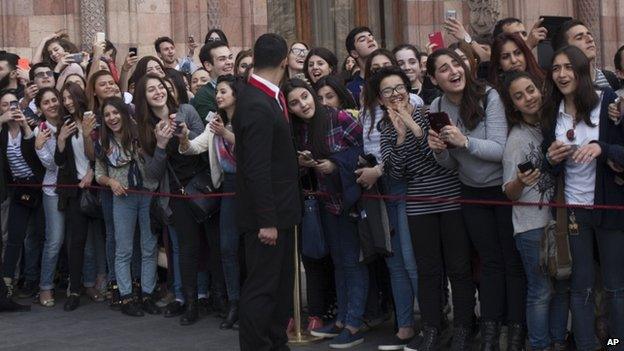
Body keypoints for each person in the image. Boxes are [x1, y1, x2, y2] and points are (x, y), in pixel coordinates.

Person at [426, 49, 527, 350]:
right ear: (433, 78)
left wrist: (464, 141)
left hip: (502, 190)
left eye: (456, 64)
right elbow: (451, 165)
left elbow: (500, 150)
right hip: (470, 191)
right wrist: (439, 150)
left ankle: (516, 330)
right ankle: (491, 332)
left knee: (512, 262)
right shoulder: (436, 105)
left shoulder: (489, 95)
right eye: (444, 69)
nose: (453, 71)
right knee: (489, 264)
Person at [371, 66, 475, 350]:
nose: (395, 95)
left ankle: (464, 326)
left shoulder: (431, 113)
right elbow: (397, 172)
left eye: (399, 88)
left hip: (450, 197)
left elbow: (439, 157)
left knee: (458, 267)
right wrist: (402, 136)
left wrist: (414, 127)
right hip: (418, 204)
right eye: (388, 91)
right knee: (428, 269)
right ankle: (432, 327)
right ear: (380, 99)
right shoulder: (385, 128)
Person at [542, 45, 624, 351]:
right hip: (572, 209)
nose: (562, 74)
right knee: (581, 286)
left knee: (616, 287)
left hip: (609, 206)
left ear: (581, 71)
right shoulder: (553, 112)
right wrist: (551, 157)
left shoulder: (609, 103)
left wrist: (603, 148)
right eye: (556, 69)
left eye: (568, 67)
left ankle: (617, 344)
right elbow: (547, 162)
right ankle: (587, 344)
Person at [284, 78, 367, 349]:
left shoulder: (339, 116)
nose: (302, 104)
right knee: (339, 263)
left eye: (304, 97)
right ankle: (342, 320)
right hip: (325, 204)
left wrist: (335, 164)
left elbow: (365, 150)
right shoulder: (300, 130)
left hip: (351, 202)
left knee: (353, 264)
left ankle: (354, 324)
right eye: (294, 102)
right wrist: (303, 163)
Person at [235, 33, 301, 351]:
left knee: (280, 285)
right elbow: (256, 168)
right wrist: (267, 220)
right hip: (267, 216)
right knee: (262, 288)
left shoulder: (268, 97)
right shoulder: (257, 103)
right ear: (284, 60)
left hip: (280, 209)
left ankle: (276, 341)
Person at [500, 70, 570, 351]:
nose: (528, 98)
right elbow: (508, 191)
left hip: (558, 221)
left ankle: (558, 341)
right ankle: (540, 345)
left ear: (540, 88)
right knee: (540, 291)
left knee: (562, 287)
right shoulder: (516, 139)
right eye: (519, 96)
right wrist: (519, 180)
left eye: (530, 90)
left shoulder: (551, 126)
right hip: (530, 226)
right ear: (513, 105)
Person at [133, 73, 206, 325]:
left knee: (214, 245)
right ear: (144, 98)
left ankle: (218, 298)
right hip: (176, 192)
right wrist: (161, 145)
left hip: (203, 187)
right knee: (186, 248)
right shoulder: (144, 129)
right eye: (150, 89)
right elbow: (152, 176)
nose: (158, 92)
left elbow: (203, 144)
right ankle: (190, 302)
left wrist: (185, 135)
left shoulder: (186, 110)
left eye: (160, 87)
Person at [179, 74, 243, 329]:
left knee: (249, 248)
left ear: (236, 94)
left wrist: (226, 133)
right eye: (217, 92)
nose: (218, 96)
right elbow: (194, 147)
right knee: (227, 247)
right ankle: (234, 303)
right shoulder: (214, 123)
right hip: (228, 187)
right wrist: (183, 137)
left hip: (251, 188)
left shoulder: (247, 119)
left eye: (224, 91)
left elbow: (252, 148)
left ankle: (251, 304)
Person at [94, 97, 163, 317]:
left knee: (149, 246)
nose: (112, 118)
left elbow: (157, 163)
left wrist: (144, 151)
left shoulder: (141, 132)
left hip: (148, 194)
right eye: (107, 115)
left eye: (115, 113)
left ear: (124, 113)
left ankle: (147, 294)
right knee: (123, 249)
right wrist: (111, 182)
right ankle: (126, 296)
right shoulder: (103, 142)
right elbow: (99, 174)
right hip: (123, 197)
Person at [54, 80, 100, 311]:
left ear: (79, 96)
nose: (67, 102)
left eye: (70, 97)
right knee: (77, 241)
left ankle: (101, 284)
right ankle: (74, 289)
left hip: (99, 186)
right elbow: (59, 162)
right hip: (75, 190)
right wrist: (61, 139)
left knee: (102, 240)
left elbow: (101, 153)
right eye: (64, 99)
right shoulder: (66, 123)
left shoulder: (93, 118)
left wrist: (92, 172)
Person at [0, 90, 44, 300]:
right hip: (18, 188)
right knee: (14, 238)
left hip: (40, 187)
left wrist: (26, 126)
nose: (11, 108)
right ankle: (8, 283)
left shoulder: (32, 126)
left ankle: (36, 281)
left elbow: (35, 158)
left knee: (40, 235)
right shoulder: (2, 133)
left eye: (14, 103)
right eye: (5, 105)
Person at [33, 88, 65, 307]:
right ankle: (45, 287)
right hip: (53, 190)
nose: (52, 104)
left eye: (55, 100)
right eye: (46, 102)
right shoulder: (41, 130)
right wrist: (41, 146)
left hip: (76, 188)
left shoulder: (69, 122)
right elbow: (54, 165)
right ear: (41, 108)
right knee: (54, 240)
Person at [552, 19, 621, 91]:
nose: (590, 39)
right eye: (579, 38)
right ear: (565, 48)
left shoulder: (611, 78)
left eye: (589, 34)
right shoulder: (561, 86)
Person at [191, 41, 235, 119]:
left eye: (230, 57)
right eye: (222, 59)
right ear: (208, 65)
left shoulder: (241, 84)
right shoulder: (203, 95)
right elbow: (213, 125)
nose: (229, 62)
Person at [345, 27, 379, 105]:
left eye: (371, 37)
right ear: (354, 53)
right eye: (362, 40)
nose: (370, 40)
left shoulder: (390, 75)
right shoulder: (351, 89)